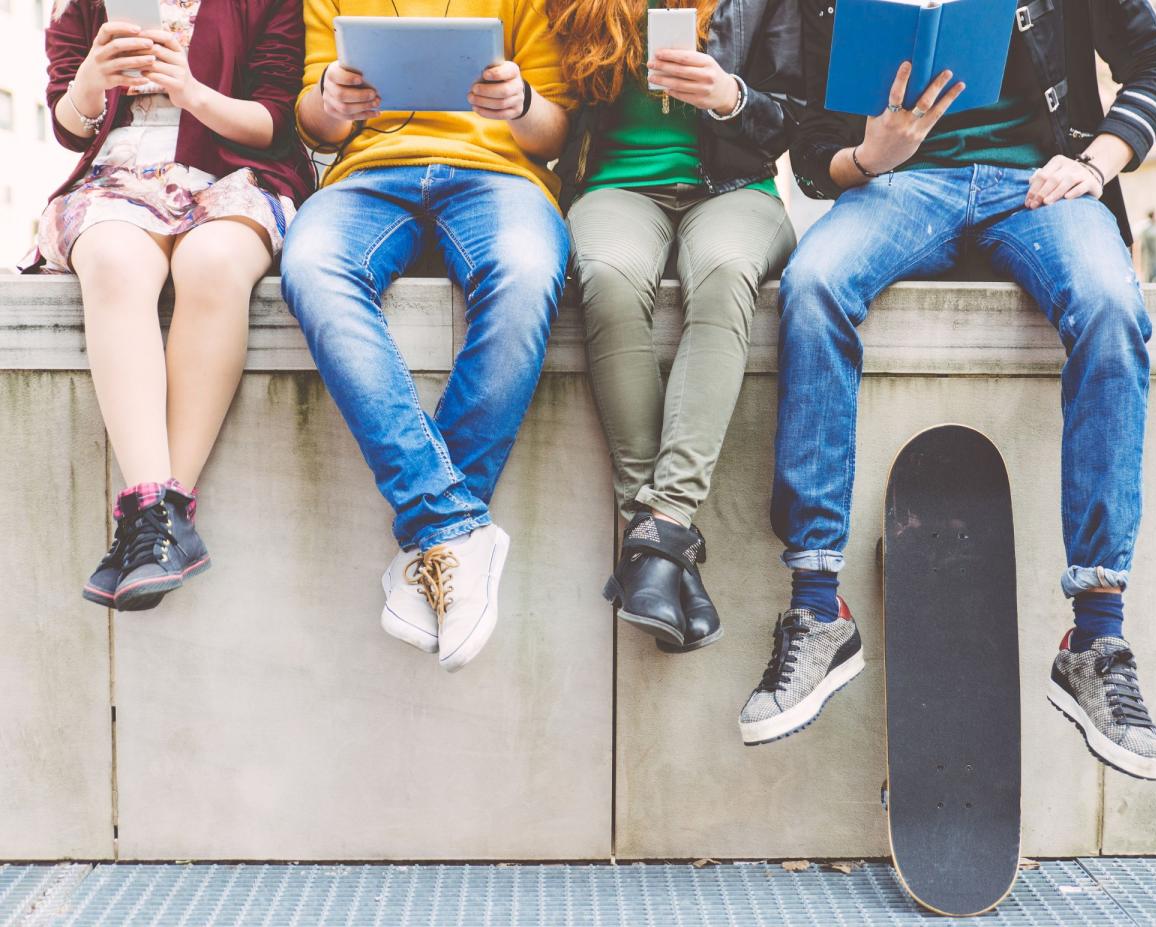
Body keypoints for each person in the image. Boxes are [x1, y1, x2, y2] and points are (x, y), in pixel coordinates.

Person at [739, 0, 1156, 781]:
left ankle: (1096, 636)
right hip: (903, 190)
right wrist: (872, 155)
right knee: (810, 287)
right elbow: (814, 159)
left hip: (1042, 190)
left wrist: (1096, 162)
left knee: (1114, 310)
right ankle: (817, 608)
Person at [281, 0, 573, 673]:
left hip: (500, 177)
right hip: (367, 176)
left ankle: (433, 542)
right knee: (312, 266)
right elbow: (314, 127)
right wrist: (332, 99)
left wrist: (520, 102)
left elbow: (554, 130)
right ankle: (454, 527)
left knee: (527, 273)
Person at [28, 0, 313, 612]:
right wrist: (90, 81)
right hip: (118, 179)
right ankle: (160, 520)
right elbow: (69, 125)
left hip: (235, 172)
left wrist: (189, 91)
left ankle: (153, 522)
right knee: (112, 262)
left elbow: (276, 120)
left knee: (212, 264)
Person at [549, 0, 801, 653]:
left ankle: (658, 528)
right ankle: (662, 544)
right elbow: (551, 107)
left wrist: (730, 98)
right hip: (613, 186)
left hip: (736, 189)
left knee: (723, 273)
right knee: (606, 276)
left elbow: (794, 118)